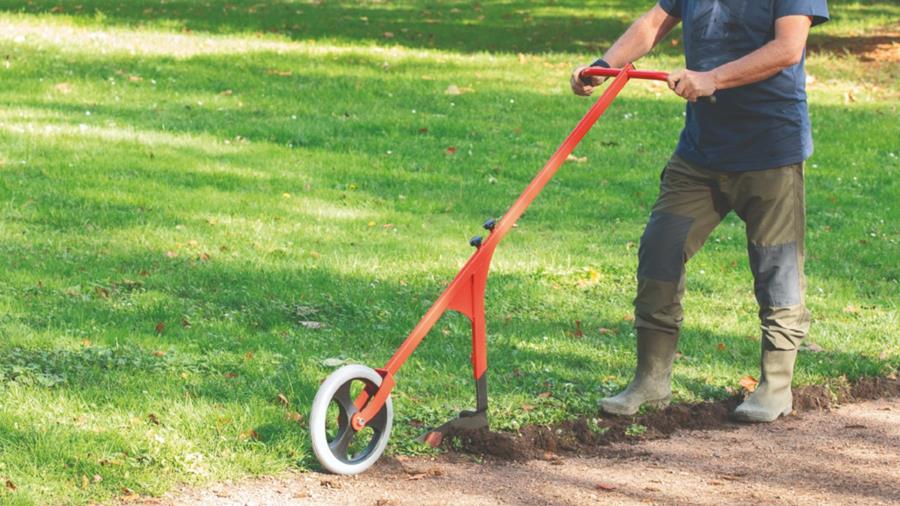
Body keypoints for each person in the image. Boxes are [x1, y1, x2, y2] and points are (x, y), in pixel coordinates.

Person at [570, 0, 829, 422]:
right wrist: (603, 65)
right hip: (700, 154)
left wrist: (713, 78)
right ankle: (651, 381)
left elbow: (787, 48)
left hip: (770, 151)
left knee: (775, 267)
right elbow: (655, 22)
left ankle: (776, 388)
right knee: (660, 249)